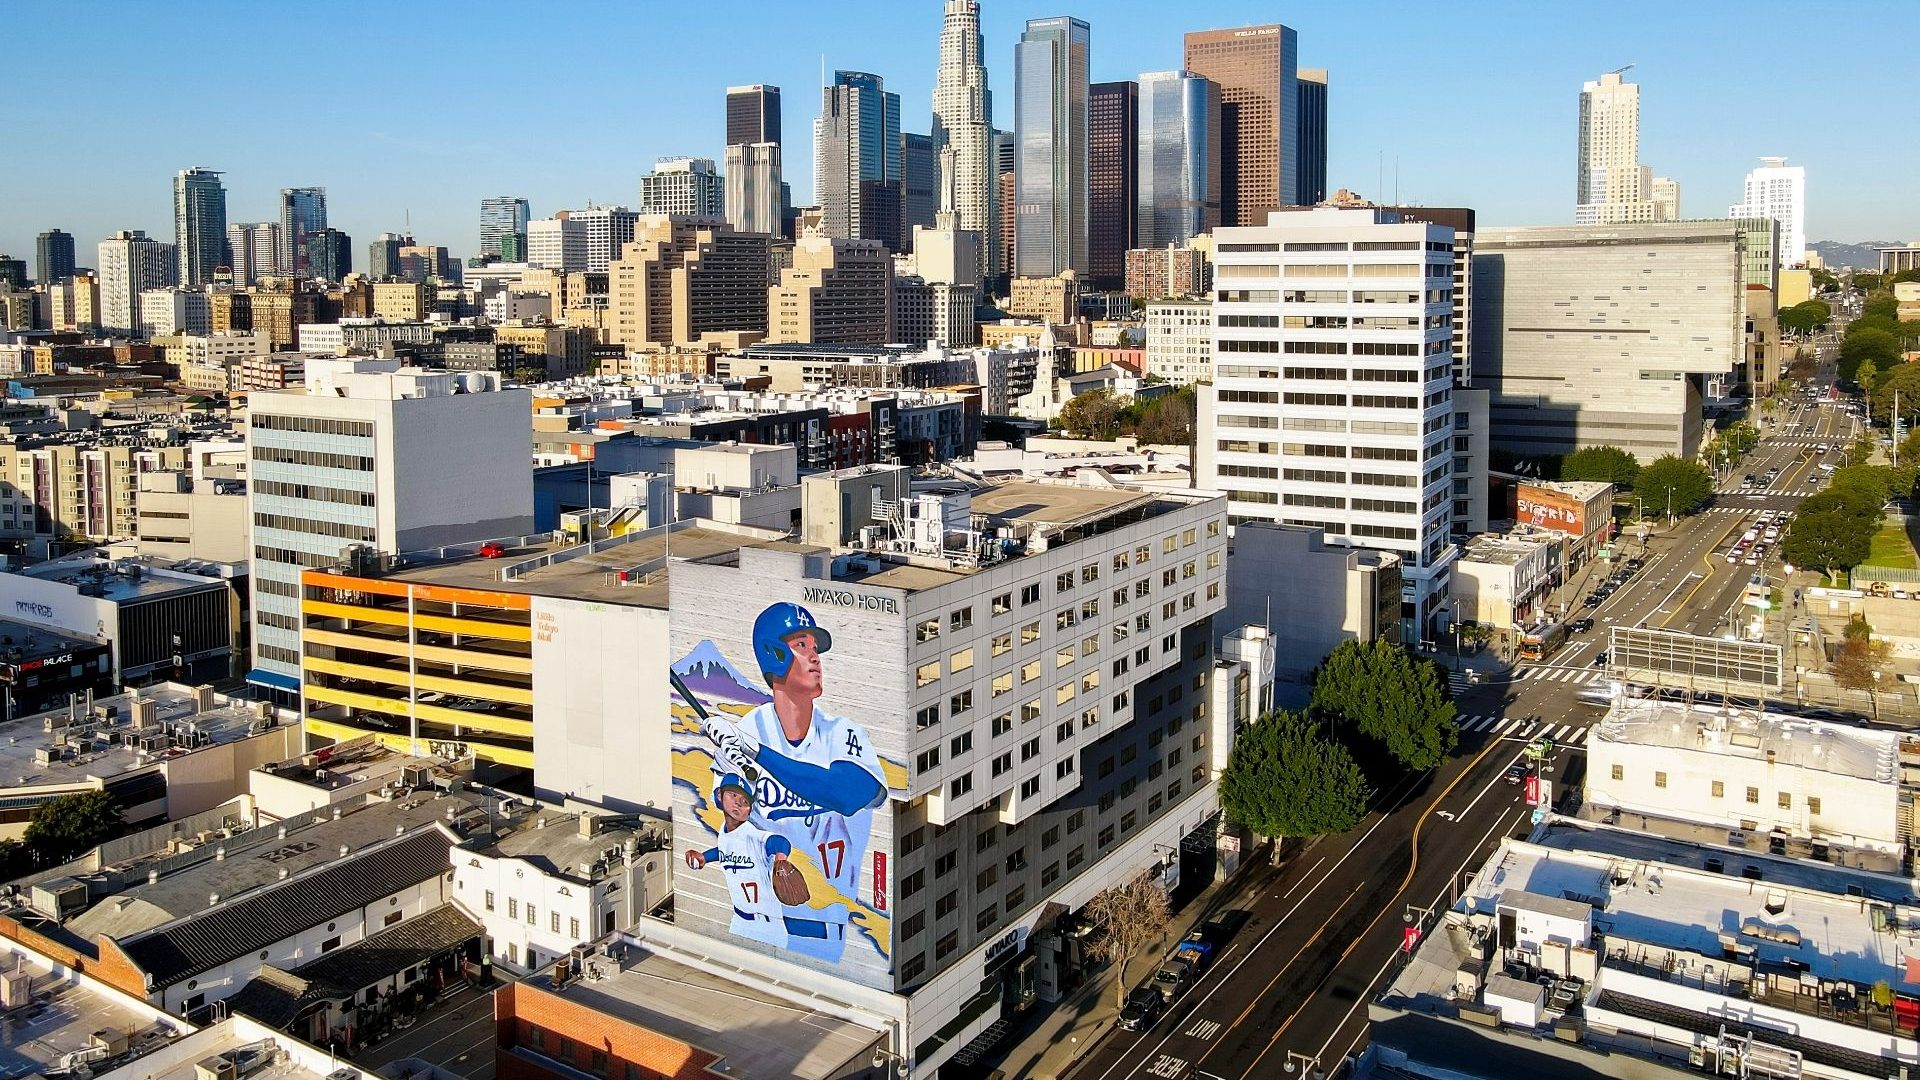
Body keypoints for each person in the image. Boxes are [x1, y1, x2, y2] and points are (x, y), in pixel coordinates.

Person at [694, 602, 887, 962]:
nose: (815, 658)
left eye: (815, 648)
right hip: (754, 924)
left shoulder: (843, 733)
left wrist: (756, 754)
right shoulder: (744, 731)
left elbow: (846, 794)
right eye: (801, 646)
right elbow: (732, 823)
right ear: (774, 655)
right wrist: (735, 773)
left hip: (824, 932)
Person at [684, 773, 791, 950]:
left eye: (744, 801)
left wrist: (780, 860)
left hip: (768, 927)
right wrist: (704, 857)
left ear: (749, 811)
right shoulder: (725, 832)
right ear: (720, 796)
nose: (738, 803)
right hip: (739, 921)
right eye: (733, 795)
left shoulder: (751, 835)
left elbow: (780, 842)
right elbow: (724, 850)